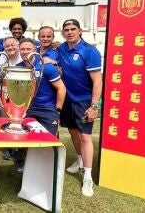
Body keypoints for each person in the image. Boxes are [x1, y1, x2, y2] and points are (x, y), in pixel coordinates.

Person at [57, 19, 102, 197]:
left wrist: (94, 105)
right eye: (66, 29)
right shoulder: (61, 48)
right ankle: (80, 161)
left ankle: (88, 177)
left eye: (73, 29)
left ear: (80, 30)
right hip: (67, 99)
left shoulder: (89, 51)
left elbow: (98, 80)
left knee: (85, 136)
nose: (69, 32)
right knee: (73, 132)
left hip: (84, 101)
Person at [17, 38, 66, 135]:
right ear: (19, 50)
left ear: (34, 49)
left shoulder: (45, 66)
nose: (25, 52)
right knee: (25, 142)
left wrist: (57, 111)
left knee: (49, 142)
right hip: (27, 110)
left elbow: (61, 88)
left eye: (28, 49)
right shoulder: (18, 68)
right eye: (22, 49)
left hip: (47, 109)